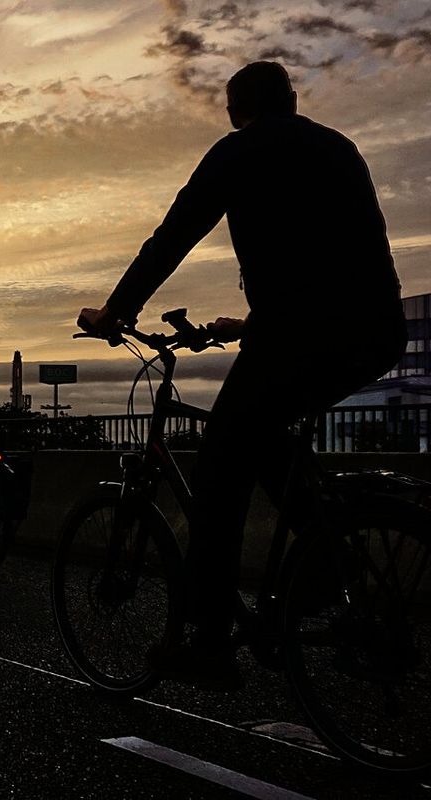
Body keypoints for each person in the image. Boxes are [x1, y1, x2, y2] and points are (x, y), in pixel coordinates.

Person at [77, 61, 407, 689]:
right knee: (264, 433)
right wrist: (250, 324)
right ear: (294, 99)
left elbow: (171, 237)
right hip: (377, 329)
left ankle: (207, 642)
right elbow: (329, 260)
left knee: (220, 465)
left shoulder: (237, 152)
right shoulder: (340, 146)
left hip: (299, 331)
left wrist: (117, 312)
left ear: (234, 110)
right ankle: (328, 564)